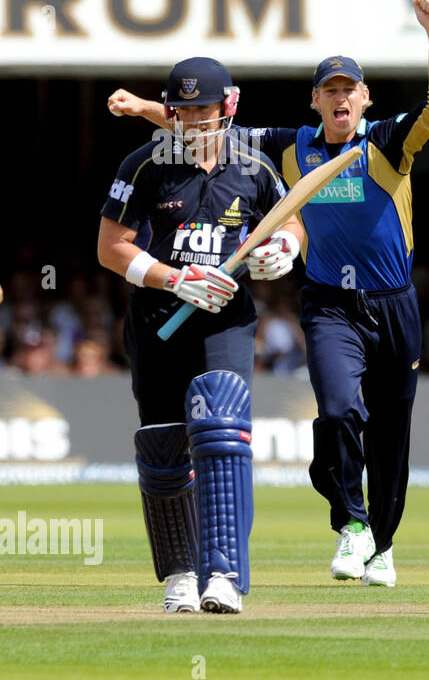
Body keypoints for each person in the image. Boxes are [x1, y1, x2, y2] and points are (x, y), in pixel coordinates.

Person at [106, 0, 429, 589]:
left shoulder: (388, 142)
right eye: (329, 90)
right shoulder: (290, 146)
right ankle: (350, 523)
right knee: (341, 408)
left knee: (392, 430)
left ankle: (383, 543)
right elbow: (211, 129)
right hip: (328, 302)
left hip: (395, 301)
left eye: (351, 89)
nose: (341, 98)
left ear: (365, 98)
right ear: (315, 100)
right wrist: (146, 109)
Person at [97, 57, 304, 614]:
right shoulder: (144, 165)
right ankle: (181, 575)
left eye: (203, 109)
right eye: (181, 111)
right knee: (165, 448)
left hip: (225, 317)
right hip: (157, 319)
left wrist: (282, 252)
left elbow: (290, 220)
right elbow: (111, 247)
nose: (192, 121)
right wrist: (175, 279)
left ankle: (225, 575)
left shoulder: (254, 166)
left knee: (219, 425)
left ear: (227, 106)